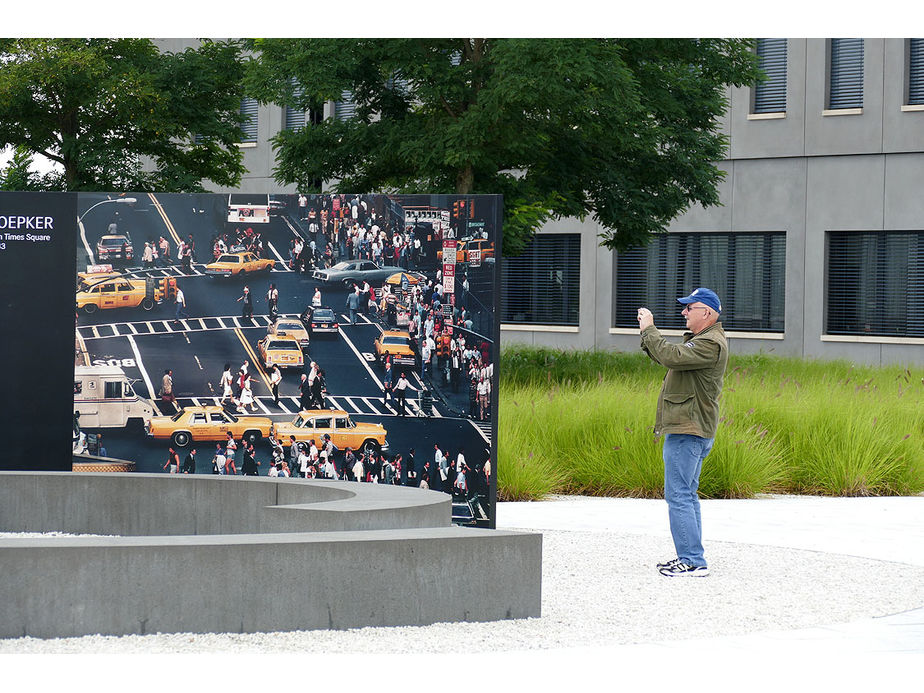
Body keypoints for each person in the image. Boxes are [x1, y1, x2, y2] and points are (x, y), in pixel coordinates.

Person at [637, 287, 728, 578]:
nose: (684, 312)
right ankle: (691, 557)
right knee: (686, 495)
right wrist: (648, 337)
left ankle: (692, 561)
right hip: (689, 429)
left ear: (708, 313)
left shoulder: (710, 343)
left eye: (690, 307)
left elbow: (672, 356)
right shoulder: (702, 341)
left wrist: (649, 328)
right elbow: (669, 356)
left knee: (679, 495)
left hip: (689, 431)